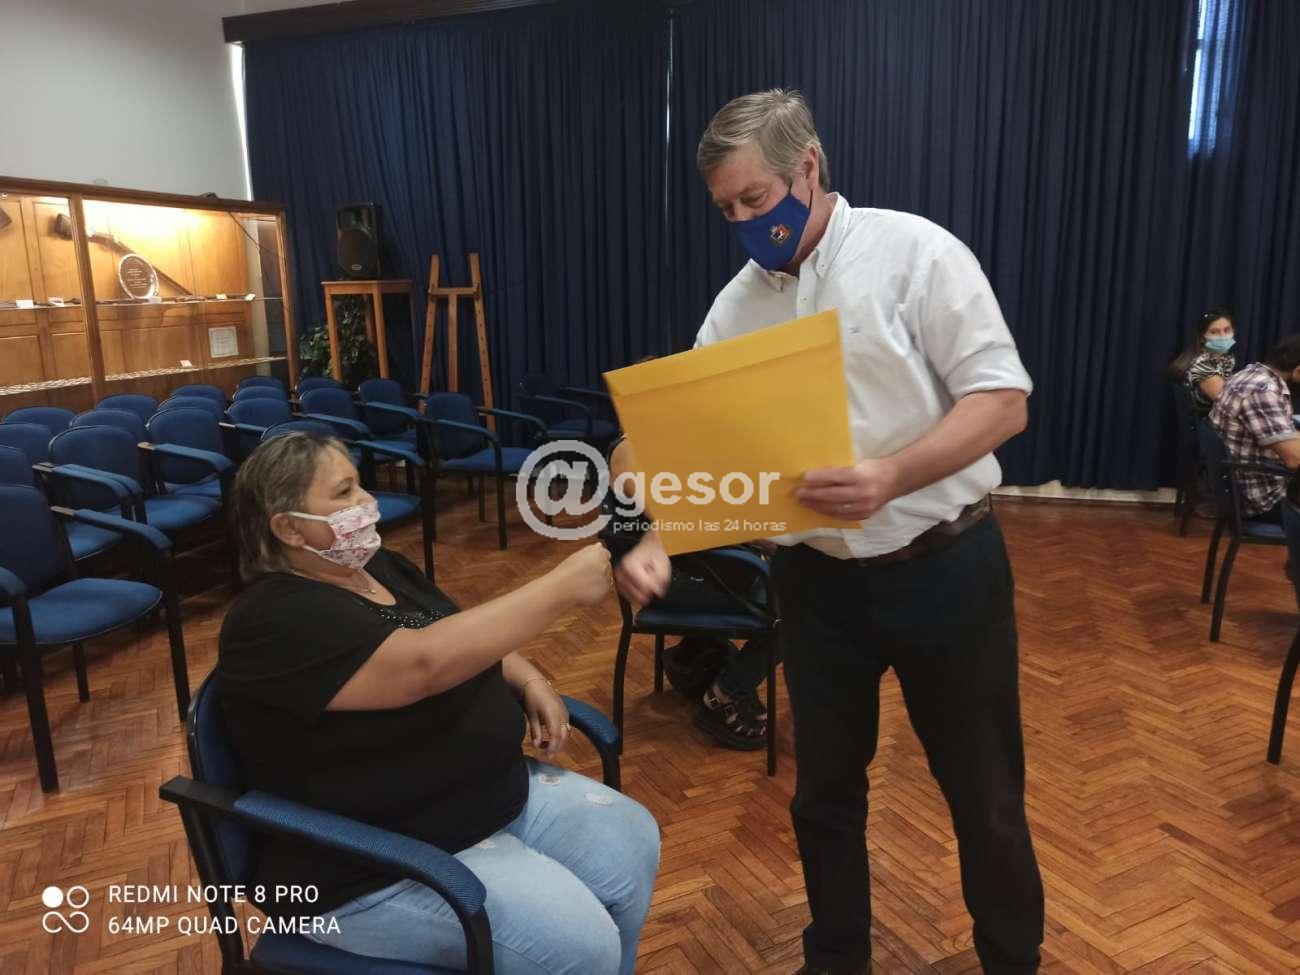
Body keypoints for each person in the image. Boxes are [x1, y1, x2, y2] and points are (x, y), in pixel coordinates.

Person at [613, 90, 1043, 974]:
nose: (743, 222)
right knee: (824, 796)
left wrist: (891, 475)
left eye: (755, 198)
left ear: (807, 166)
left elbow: (1003, 403)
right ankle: (836, 957)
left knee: (985, 795)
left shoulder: (916, 252)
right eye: (726, 209)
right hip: (817, 585)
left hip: (946, 567)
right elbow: (683, 442)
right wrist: (650, 510)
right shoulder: (736, 308)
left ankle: (1012, 959)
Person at [218, 430, 659, 975]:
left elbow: (458, 633)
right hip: (370, 861)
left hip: (481, 796)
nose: (367, 501)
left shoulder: (377, 568)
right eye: (345, 492)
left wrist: (530, 679)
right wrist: (560, 588)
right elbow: (423, 663)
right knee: (582, 944)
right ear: (288, 527)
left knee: (631, 840)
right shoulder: (271, 619)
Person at [1208, 334, 1300, 521]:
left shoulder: (1251, 373)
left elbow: (1285, 433)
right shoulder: (1263, 391)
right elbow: (1295, 459)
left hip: (1241, 486)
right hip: (1266, 499)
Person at [1167, 307, 1238, 413]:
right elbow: (1230, 403)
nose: (1223, 336)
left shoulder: (1226, 358)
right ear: (1202, 338)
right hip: (1210, 419)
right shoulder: (1202, 365)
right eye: (1214, 332)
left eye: (1227, 330)